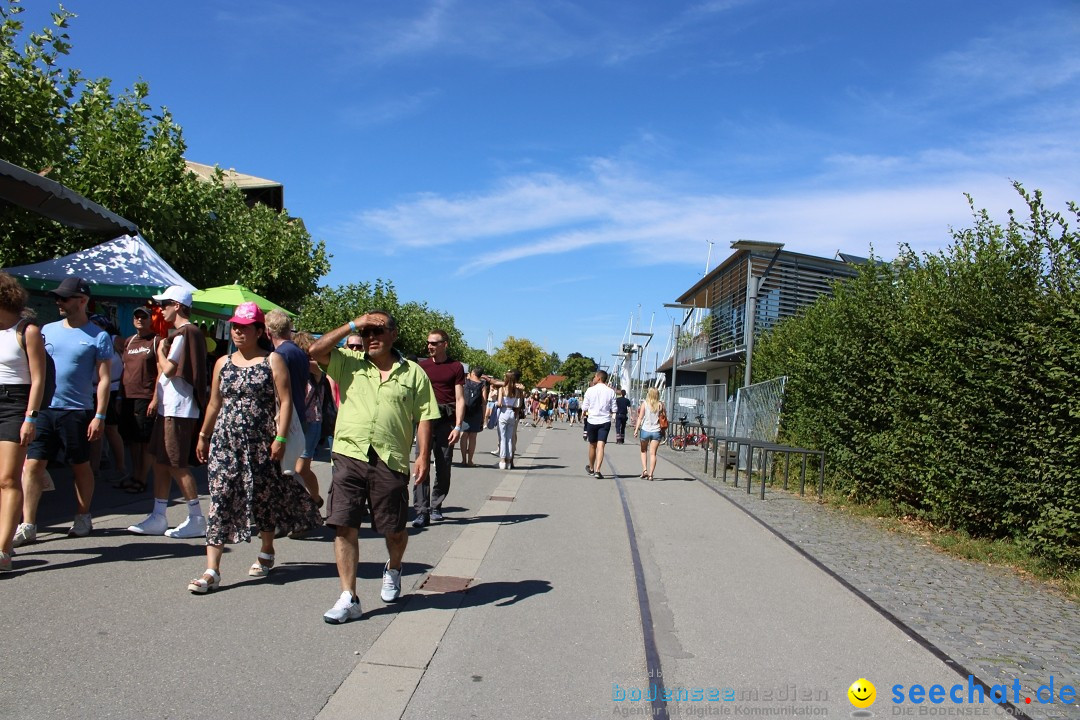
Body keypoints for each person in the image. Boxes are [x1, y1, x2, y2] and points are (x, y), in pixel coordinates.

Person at [308, 311, 439, 624]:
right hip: (349, 453)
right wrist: (352, 324)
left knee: (393, 529)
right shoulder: (348, 362)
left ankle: (393, 567)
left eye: (378, 331)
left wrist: (422, 455)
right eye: (366, 333)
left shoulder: (414, 373)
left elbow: (424, 415)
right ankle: (348, 597)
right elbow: (314, 351)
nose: (371, 338)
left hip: (390, 458)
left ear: (394, 334)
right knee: (344, 523)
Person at [187, 302, 322, 593]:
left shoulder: (272, 360)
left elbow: (285, 401)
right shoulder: (223, 363)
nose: (237, 331)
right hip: (226, 441)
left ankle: (267, 548)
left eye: (244, 327)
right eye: (235, 326)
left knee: (263, 497)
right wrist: (203, 435)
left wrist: (281, 438)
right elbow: (214, 402)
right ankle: (212, 570)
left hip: (262, 442)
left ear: (259, 330)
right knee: (220, 498)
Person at [18, 277, 113, 542]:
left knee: (79, 465)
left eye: (65, 298)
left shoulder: (98, 336)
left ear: (82, 301)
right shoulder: (46, 330)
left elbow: (104, 379)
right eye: (57, 298)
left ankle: (83, 516)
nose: (59, 302)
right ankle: (28, 524)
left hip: (77, 411)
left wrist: (100, 415)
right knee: (33, 465)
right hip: (44, 409)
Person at [127, 285, 208, 539]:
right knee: (161, 463)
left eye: (164, 305)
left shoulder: (185, 333)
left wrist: (160, 352)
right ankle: (159, 515)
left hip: (179, 410)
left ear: (177, 305)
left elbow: (170, 369)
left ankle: (196, 518)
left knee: (176, 464)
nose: (160, 310)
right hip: (169, 408)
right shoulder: (181, 333)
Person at [0, 274, 46, 571]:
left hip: (16, 403)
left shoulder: (27, 330)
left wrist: (30, 417)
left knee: (7, 478)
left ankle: (3, 551)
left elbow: (38, 378)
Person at [265, 310, 323, 509]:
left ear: (267, 332)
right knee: (291, 468)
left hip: (289, 417)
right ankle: (302, 509)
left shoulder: (280, 355)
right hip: (300, 415)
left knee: (288, 469)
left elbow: (281, 393)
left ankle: (302, 513)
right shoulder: (297, 352)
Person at [413, 328, 464, 527]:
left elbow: (460, 399)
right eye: (428, 343)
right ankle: (421, 510)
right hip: (425, 422)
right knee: (421, 463)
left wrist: (458, 426)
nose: (430, 346)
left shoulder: (456, 367)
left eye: (434, 343)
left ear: (445, 344)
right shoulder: (421, 366)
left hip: (446, 422)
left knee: (444, 466)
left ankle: (436, 505)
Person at [114, 306, 159, 494]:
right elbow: (124, 369)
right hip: (127, 395)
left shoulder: (156, 341)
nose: (140, 319)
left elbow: (161, 372)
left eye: (144, 317)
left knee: (144, 440)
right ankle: (134, 474)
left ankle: (142, 478)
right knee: (131, 439)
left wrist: (155, 398)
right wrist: (118, 395)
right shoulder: (129, 341)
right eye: (137, 316)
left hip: (145, 395)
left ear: (150, 320)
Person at [581, 370, 617, 479]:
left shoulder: (590, 390)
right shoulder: (611, 391)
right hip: (605, 420)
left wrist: (583, 413)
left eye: (595, 376)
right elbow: (614, 408)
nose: (594, 378)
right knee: (601, 446)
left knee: (592, 445)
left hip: (592, 420)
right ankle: (598, 470)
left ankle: (591, 467)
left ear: (599, 378)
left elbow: (584, 406)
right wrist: (612, 415)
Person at [495, 369, 525, 470]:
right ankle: (509, 460)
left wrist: (496, 403)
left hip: (503, 412)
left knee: (502, 438)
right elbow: (518, 405)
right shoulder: (517, 391)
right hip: (512, 413)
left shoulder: (502, 389)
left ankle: (502, 459)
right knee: (510, 438)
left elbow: (499, 403)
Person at [459, 366, 487, 467]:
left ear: (473, 373)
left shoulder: (465, 382)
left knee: (464, 435)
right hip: (476, 412)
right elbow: (484, 402)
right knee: (473, 437)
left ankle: (463, 460)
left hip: (464, 411)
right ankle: (470, 460)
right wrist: (483, 417)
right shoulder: (483, 385)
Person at [634, 387, 664, 480]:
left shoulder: (645, 404)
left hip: (645, 430)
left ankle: (645, 470)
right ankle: (651, 474)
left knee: (643, 451)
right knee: (653, 454)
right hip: (656, 431)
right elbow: (663, 419)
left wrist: (636, 430)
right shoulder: (660, 405)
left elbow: (640, 417)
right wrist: (664, 431)